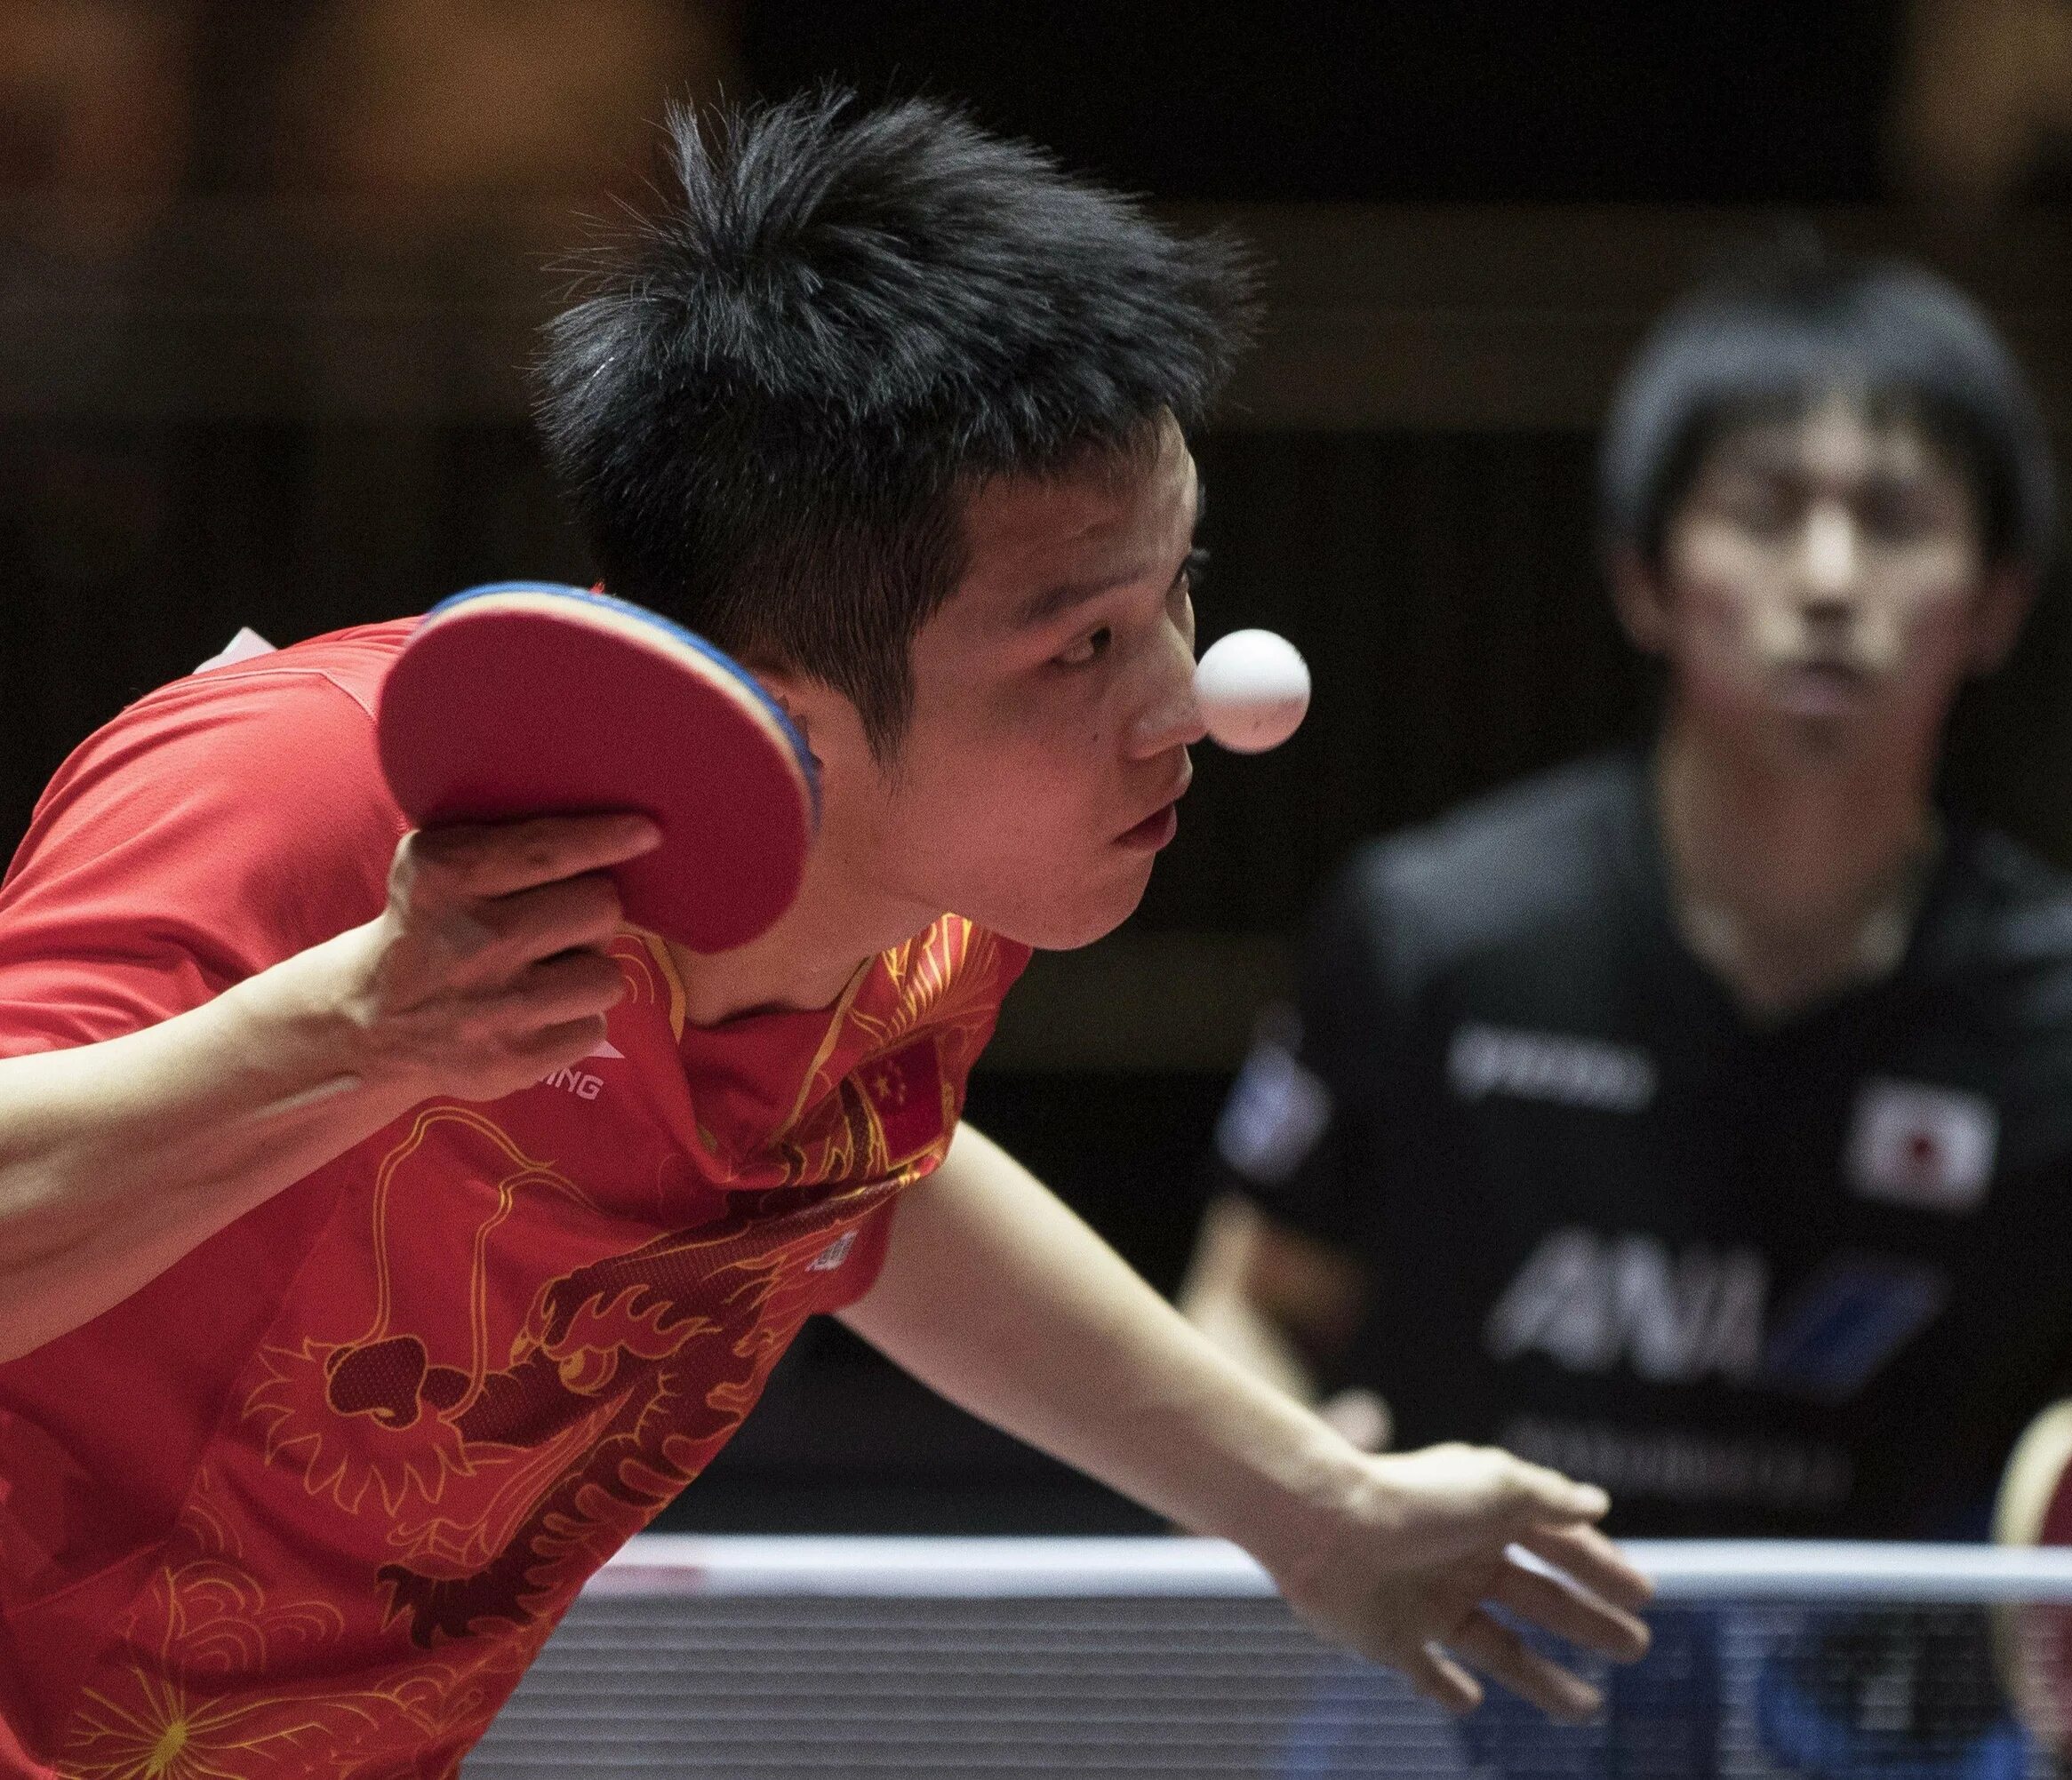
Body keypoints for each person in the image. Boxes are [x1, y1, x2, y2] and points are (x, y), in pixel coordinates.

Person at [0, 92, 1652, 1777]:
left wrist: (1311, 1509)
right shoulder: (314, 810)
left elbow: (858, 1187)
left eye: (1180, 586)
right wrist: (354, 1031)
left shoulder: (934, 908)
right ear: (784, 719)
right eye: (1080, 648)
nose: (1194, 704)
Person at [1183, 244, 2072, 1764]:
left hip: (1906, 1729)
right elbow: (1250, 1302)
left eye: (1898, 521)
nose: (1825, 578)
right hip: (1480, 1705)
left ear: (1995, 601)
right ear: (1644, 575)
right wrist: (1289, 1468)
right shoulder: (1435, 940)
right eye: (1760, 509)